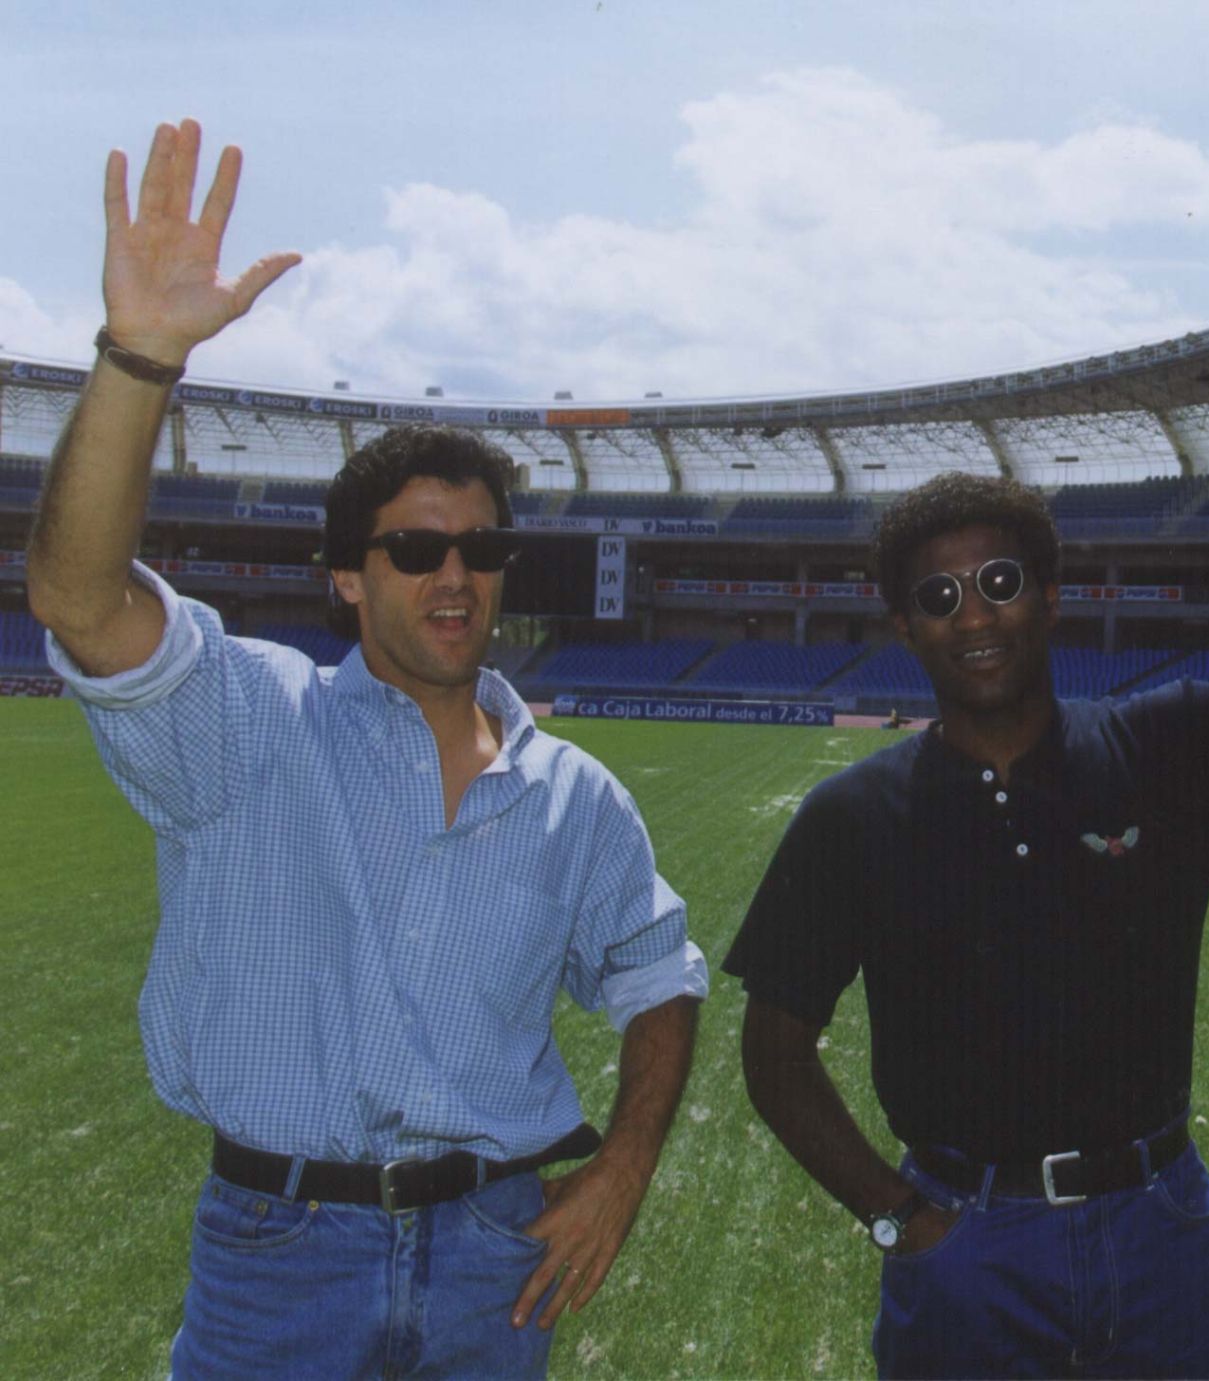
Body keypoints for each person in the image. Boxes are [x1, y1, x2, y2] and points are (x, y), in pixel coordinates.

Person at [26, 119, 706, 1378]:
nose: (455, 577)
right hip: (280, 1255)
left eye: (482, 552)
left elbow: (659, 977)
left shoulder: (574, 794)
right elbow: (77, 598)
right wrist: (138, 358)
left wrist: (623, 1165)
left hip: (499, 1259)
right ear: (349, 576)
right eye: (412, 550)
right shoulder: (249, 719)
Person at [724, 346, 1209, 1378]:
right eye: (941, 595)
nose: (975, 614)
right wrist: (897, 1221)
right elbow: (774, 1055)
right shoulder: (850, 818)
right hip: (966, 1242)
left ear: (1049, 596)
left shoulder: (1169, 750)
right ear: (904, 624)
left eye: (999, 582)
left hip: (1159, 1230)